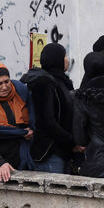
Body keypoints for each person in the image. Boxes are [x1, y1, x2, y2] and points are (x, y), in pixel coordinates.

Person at [20, 43, 75, 174]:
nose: (68, 59)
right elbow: (47, 121)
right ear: (57, 59)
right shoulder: (44, 83)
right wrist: (71, 140)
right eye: (65, 55)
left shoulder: (60, 81)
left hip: (60, 149)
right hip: (49, 152)